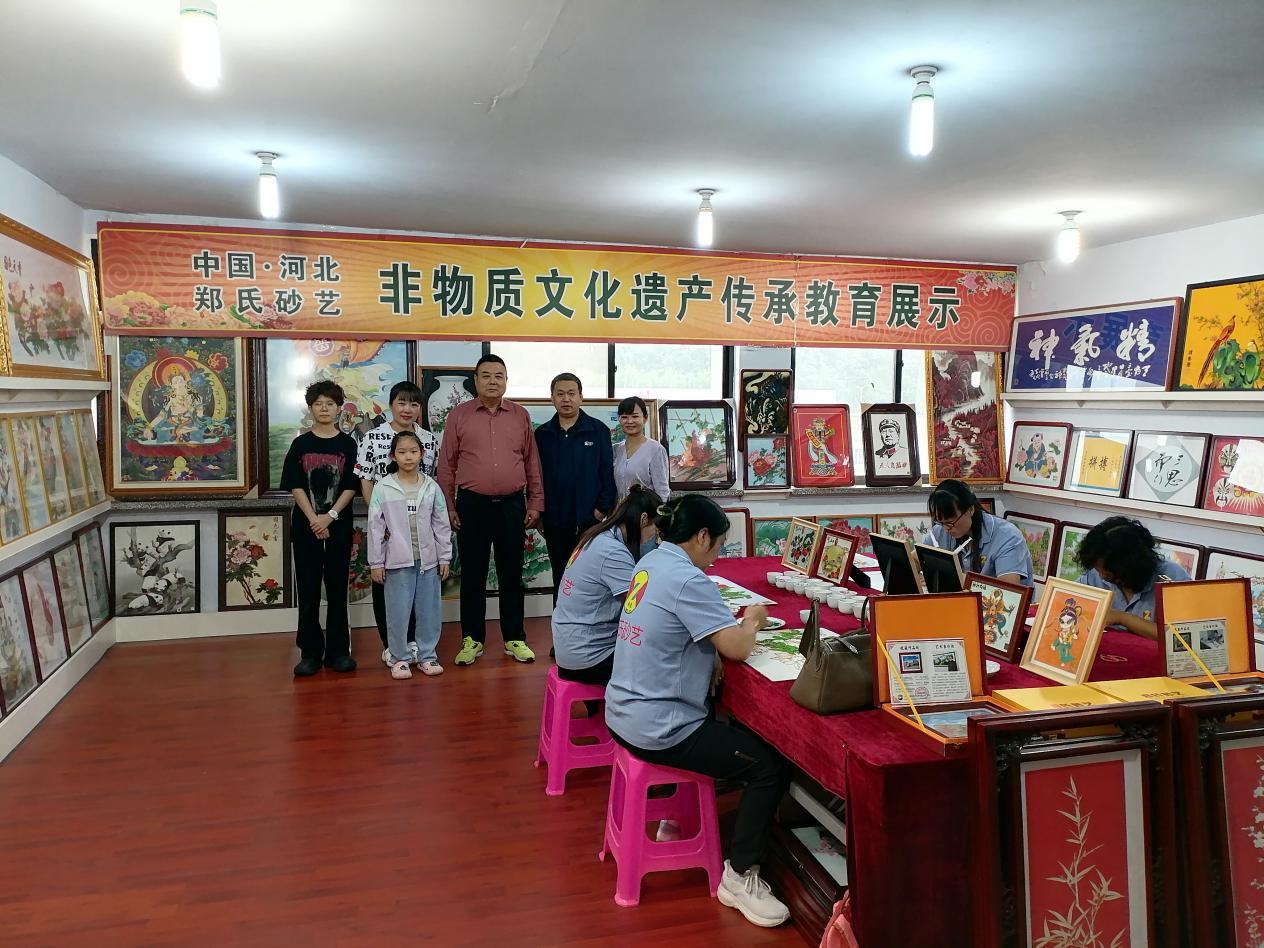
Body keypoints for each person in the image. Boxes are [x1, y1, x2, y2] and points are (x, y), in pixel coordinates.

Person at [605, 494, 791, 929]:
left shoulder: (651, 562)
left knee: (719, 718)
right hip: (658, 726)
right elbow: (738, 647)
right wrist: (753, 619)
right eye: (720, 545)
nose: (718, 556)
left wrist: (709, 655)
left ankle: (677, 818)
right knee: (768, 765)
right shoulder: (689, 580)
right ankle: (740, 876)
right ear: (703, 536)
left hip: (623, 711)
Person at [436, 354, 544, 666]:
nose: (493, 381)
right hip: (472, 505)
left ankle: (514, 638)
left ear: (506, 380)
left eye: (499, 375)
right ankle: (472, 639)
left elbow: (531, 463)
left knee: (512, 574)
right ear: (476, 380)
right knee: (473, 575)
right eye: (486, 375)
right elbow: (447, 465)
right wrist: (448, 506)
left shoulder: (520, 415)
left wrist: (535, 502)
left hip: (512, 505)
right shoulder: (459, 415)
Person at [355, 381, 440, 667]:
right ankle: (391, 645)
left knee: (420, 585)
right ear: (391, 404)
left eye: (414, 404)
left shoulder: (429, 440)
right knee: (388, 586)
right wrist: (382, 518)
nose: (407, 409)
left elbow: (432, 480)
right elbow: (366, 478)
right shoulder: (373, 437)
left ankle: (416, 643)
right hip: (388, 525)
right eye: (401, 403)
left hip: (420, 526)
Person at [281, 380, 361, 677]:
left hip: (338, 525)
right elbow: (295, 485)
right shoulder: (300, 444)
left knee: (338, 589)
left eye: (330, 404)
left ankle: (339, 651)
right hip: (306, 527)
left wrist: (330, 516)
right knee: (309, 589)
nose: (324, 408)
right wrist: (314, 518)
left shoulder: (348, 444)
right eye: (318, 404)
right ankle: (310, 652)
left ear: (339, 408)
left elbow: (351, 485)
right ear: (310, 408)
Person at [552, 485, 662, 685]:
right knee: (665, 659)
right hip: (589, 657)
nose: (654, 539)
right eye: (654, 531)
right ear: (644, 519)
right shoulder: (612, 552)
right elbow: (641, 608)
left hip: (571, 646)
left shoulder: (598, 536)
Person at [367, 431, 452, 680]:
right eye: (402, 452)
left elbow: (441, 524)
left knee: (429, 611)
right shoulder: (383, 488)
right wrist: (376, 562)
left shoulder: (431, 487)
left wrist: (444, 557)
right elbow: (375, 528)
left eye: (413, 451)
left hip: (428, 561)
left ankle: (427, 655)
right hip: (397, 562)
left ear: (422, 454)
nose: (408, 457)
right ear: (393, 456)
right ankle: (399, 658)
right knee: (398, 612)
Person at [535, 373, 617, 603]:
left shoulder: (598, 430)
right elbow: (536, 477)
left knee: (589, 579)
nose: (566, 399)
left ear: (581, 396)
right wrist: (539, 512)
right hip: (555, 521)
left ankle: (589, 625)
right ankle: (561, 625)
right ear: (552, 398)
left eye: (571, 393)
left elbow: (606, 472)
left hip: (589, 521)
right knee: (561, 578)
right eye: (560, 394)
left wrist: (602, 509)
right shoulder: (542, 434)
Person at [1074, 516, 1190, 639]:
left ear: (1130, 565)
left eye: (1110, 573)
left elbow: (1180, 637)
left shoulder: (1173, 578)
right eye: (1097, 569)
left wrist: (1122, 618)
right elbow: (1065, 606)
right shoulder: (1094, 573)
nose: (1102, 576)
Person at [923, 479, 1033, 586]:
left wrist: (954, 577)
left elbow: (1008, 589)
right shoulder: (941, 530)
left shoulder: (1007, 536)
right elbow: (916, 559)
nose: (946, 529)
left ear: (970, 510)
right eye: (940, 522)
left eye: (951, 522)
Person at [613, 395, 670, 500]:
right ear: (619, 419)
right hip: (620, 509)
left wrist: (660, 509)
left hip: (646, 509)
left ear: (645, 418)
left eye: (635, 416)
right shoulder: (616, 449)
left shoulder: (655, 449)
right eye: (624, 417)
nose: (630, 421)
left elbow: (662, 491)